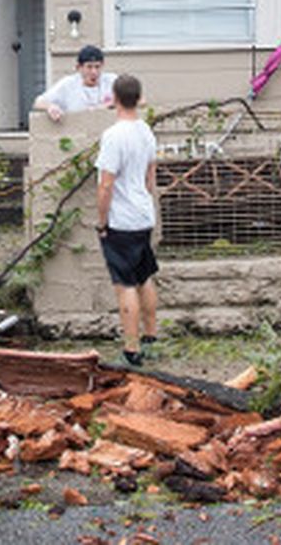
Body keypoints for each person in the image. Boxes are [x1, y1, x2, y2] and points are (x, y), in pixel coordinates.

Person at [94, 73, 159, 366]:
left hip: (121, 220)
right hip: (144, 214)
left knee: (125, 285)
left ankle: (131, 349)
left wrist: (102, 220)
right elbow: (150, 177)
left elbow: (106, 184)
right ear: (139, 97)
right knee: (145, 276)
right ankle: (151, 336)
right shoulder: (146, 130)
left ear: (115, 98)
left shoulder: (113, 136)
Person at [34, 44, 115, 122]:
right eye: (89, 67)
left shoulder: (111, 81)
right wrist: (50, 107)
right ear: (79, 68)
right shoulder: (68, 84)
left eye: (97, 67)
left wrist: (111, 104)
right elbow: (38, 102)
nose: (94, 72)